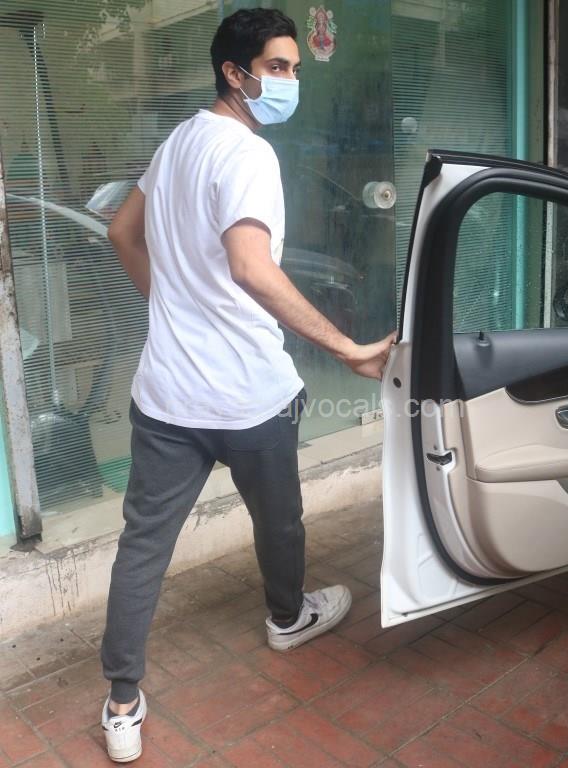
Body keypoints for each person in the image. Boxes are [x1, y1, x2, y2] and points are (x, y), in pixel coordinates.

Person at [99, 8, 395, 763]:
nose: (290, 81)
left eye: (293, 68)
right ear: (235, 73)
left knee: (143, 548)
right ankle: (287, 619)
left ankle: (122, 703)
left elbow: (121, 232)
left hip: (166, 396)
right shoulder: (247, 153)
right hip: (249, 398)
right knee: (279, 522)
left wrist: (169, 307)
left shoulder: (179, 141)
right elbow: (250, 267)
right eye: (278, 67)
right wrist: (348, 349)